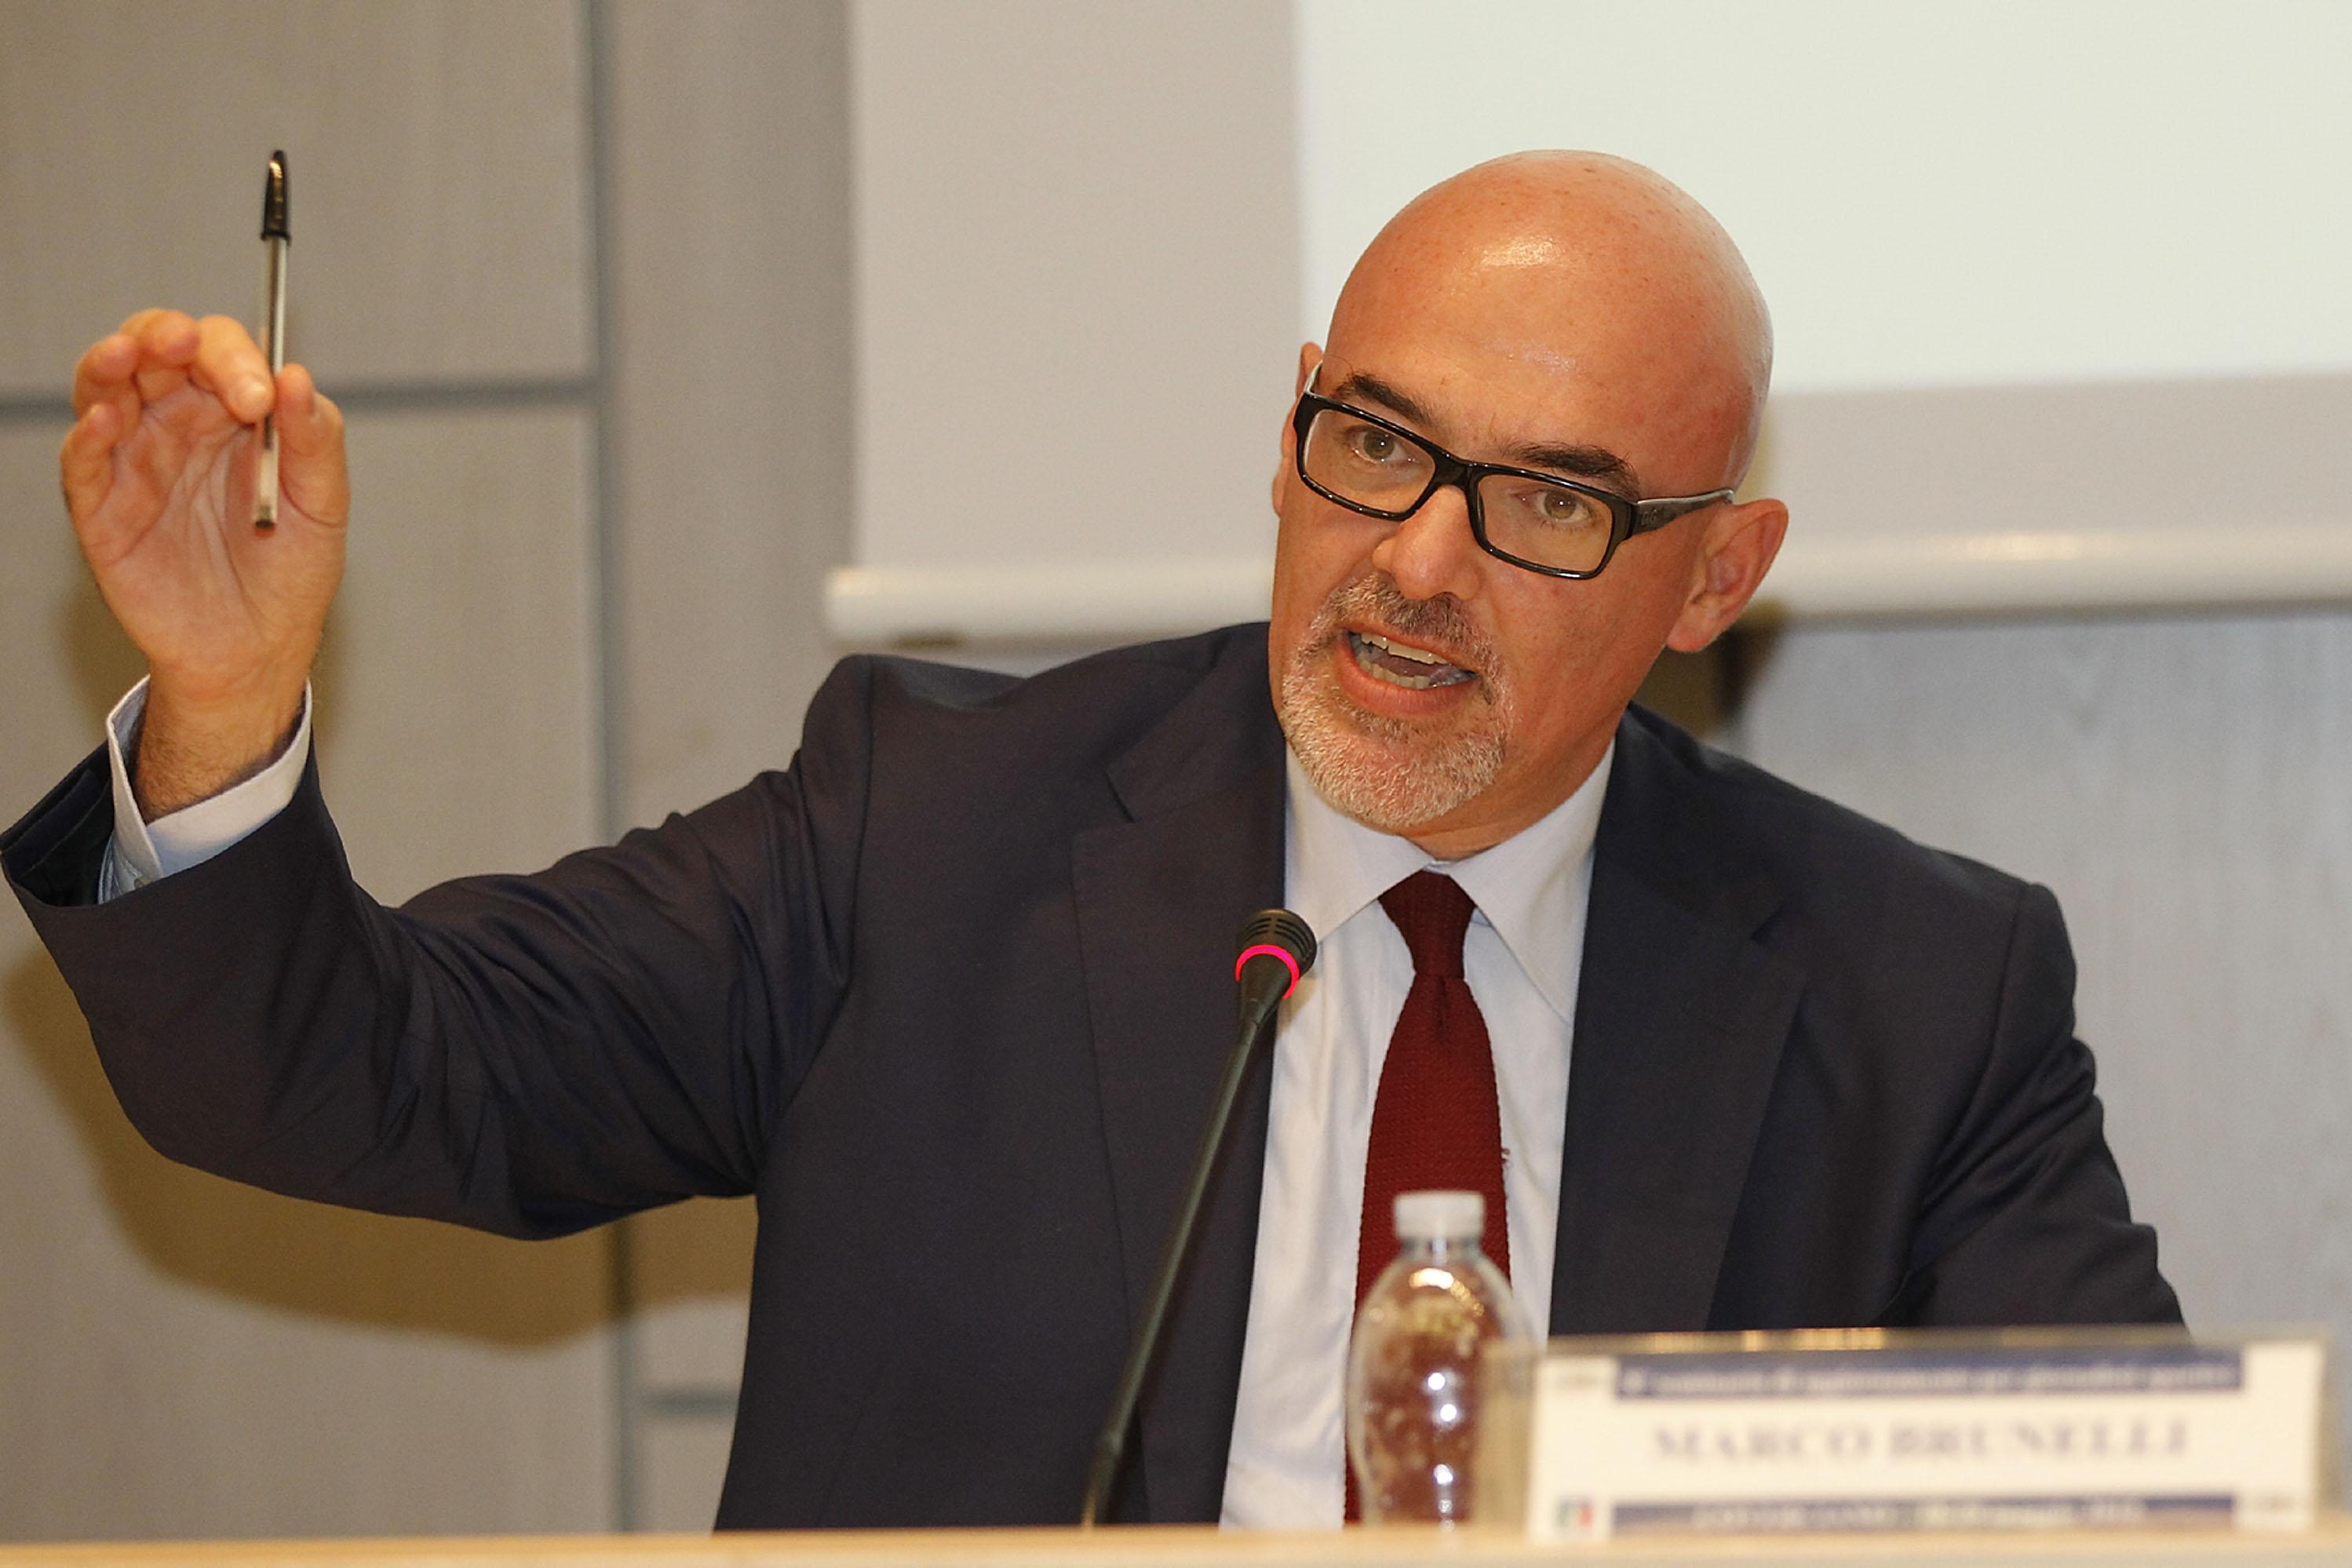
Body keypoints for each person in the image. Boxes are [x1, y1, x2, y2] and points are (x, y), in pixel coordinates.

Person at [3, 152, 2178, 1530]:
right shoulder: (931, 831)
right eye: (1373, 442)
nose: (1417, 561)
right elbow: (372, 1075)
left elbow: (2139, 1504)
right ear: (1292, 420)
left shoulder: (1918, 994)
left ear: (1714, 579)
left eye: (1548, 501)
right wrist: (219, 702)